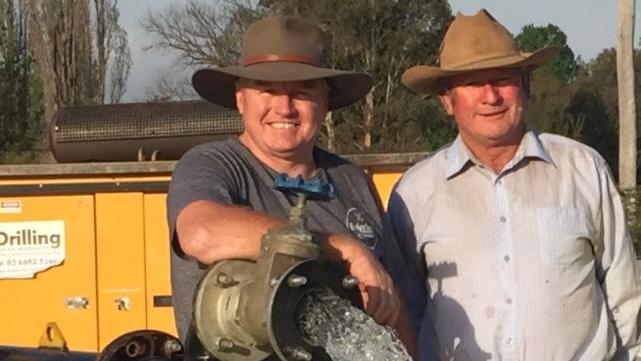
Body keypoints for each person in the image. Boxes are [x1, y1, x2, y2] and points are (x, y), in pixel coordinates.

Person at [386, 9, 641, 361]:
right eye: (473, 82)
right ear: (447, 99)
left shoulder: (583, 169)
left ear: (526, 86)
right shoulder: (414, 194)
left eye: (503, 78)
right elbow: (405, 314)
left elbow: (624, 294)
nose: (491, 96)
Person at [166, 15, 415, 355]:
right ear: (241, 98)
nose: (284, 107)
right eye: (267, 90)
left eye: (301, 91)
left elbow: (393, 307)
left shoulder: (352, 180)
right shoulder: (213, 165)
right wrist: (345, 251)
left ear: (325, 103)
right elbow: (201, 234)